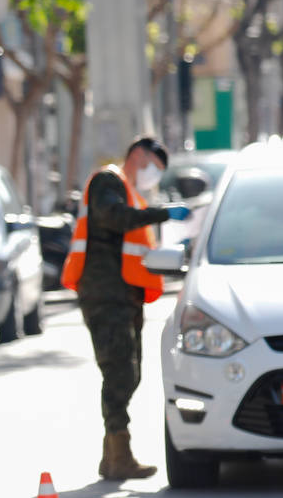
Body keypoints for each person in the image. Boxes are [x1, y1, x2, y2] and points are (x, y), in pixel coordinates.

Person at [62, 136, 189, 480]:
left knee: (128, 373)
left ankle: (113, 455)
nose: (153, 175)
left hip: (123, 295)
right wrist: (161, 213)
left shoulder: (130, 193)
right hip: (105, 293)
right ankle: (119, 453)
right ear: (138, 155)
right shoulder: (108, 181)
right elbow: (113, 218)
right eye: (154, 167)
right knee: (119, 372)